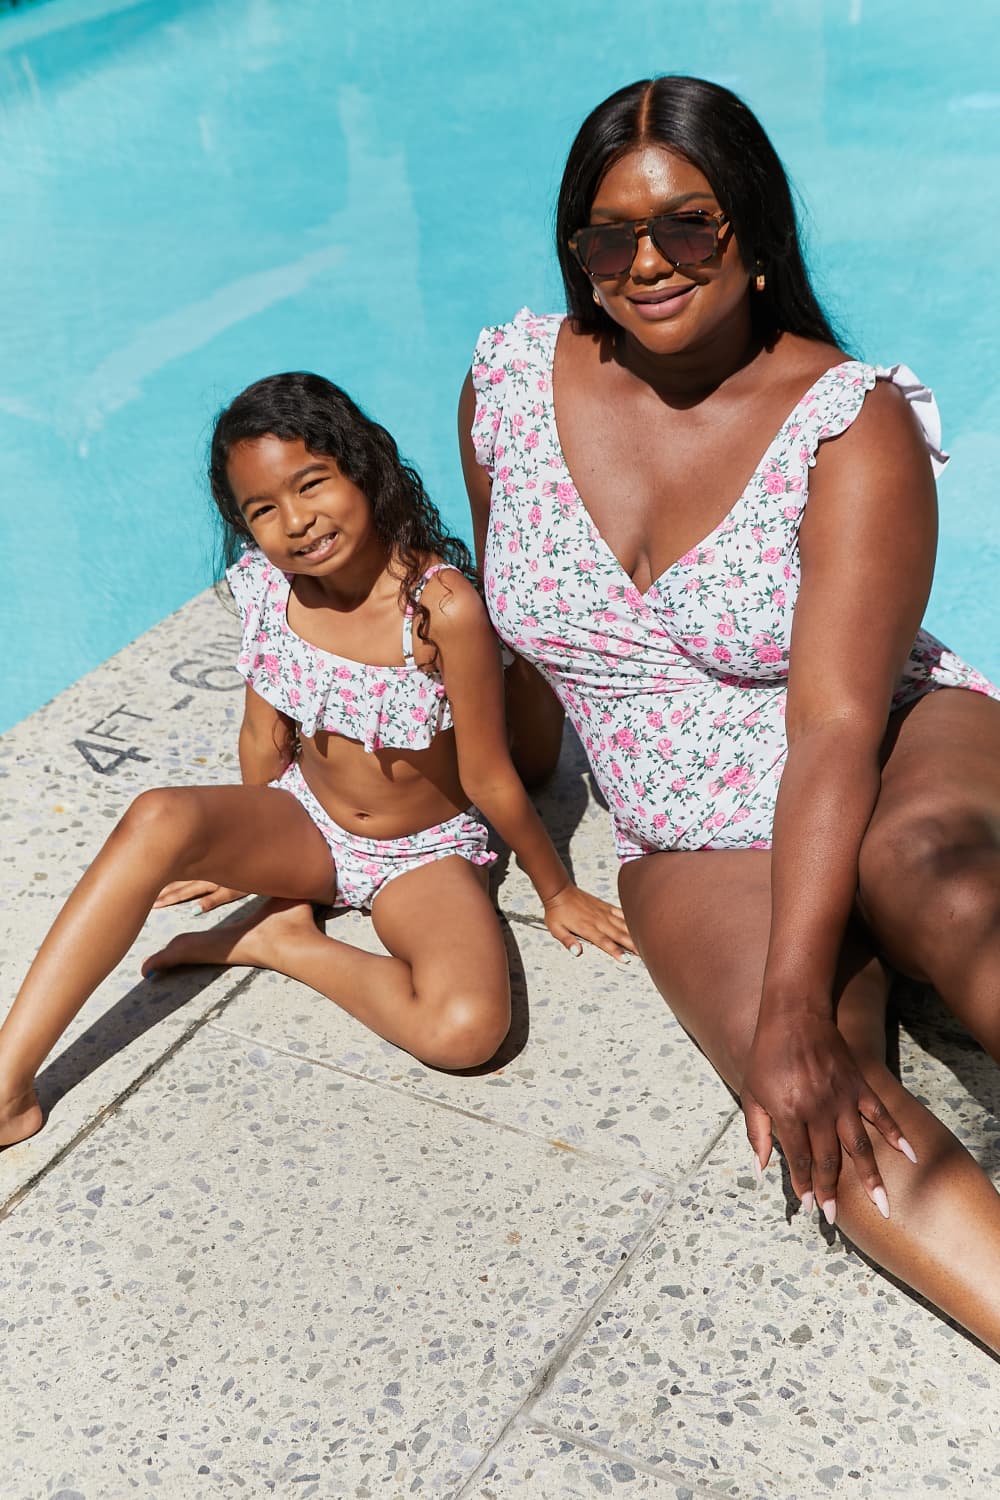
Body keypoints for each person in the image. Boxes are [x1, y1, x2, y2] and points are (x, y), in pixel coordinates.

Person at [458, 75, 1000, 1351]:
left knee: (938, 886)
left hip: (884, 731)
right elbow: (517, 644)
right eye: (608, 237)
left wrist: (798, 992)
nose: (644, 263)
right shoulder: (506, 384)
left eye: (685, 226)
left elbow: (830, 728)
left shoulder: (845, 423)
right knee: (825, 1120)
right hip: (687, 819)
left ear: (751, 234)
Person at [0, 372, 633, 1149]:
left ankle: (287, 945)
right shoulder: (273, 589)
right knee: (156, 816)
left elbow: (488, 776)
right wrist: (257, 855)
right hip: (309, 822)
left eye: (311, 484)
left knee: (466, 1030)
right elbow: (263, 736)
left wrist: (556, 887)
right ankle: (7, 1083)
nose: (295, 523)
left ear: (362, 468)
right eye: (263, 509)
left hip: (421, 854)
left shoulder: (440, 610)